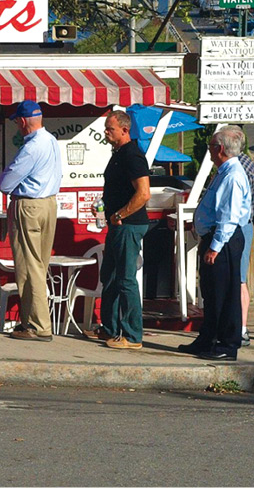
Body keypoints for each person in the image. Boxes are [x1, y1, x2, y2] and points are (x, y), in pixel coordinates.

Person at [178, 126, 252, 361]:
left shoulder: (232, 175)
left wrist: (215, 247)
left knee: (225, 293)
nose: (208, 151)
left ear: (220, 149)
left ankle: (227, 344)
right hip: (215, 236)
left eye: (210, 147)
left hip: (225, 241)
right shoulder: (224, 172)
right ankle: (207, 338)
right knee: (211, 292)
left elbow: (229, 216)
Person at [0, 100, 62, 341]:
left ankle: (37, 325)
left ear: (23, 121)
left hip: (29, 204)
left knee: (29, 265)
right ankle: (35, 321)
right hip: (49, 203)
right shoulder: (52, 141)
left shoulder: (31, 147)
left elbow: (6, 183)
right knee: (40, 264)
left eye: (17, 122)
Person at [93, 110, 154, 350]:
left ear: (125, 130)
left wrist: (120, 214)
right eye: (106, 128)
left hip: (128, 225)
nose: (106, 132)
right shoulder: (118, 153)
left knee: (126, 278)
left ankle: (132, 335)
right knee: (109, 276)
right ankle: (109, 328)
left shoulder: (133, 155)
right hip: (116, 223)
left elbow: (144, 193)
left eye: (110, 128)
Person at [237, 151, 254, 346]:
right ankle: (239, 327)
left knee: (239, 280)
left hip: (239, 226)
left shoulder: (239, 166)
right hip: (243, 225)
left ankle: (241, 328)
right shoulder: (245, 162)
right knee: (239, 279)